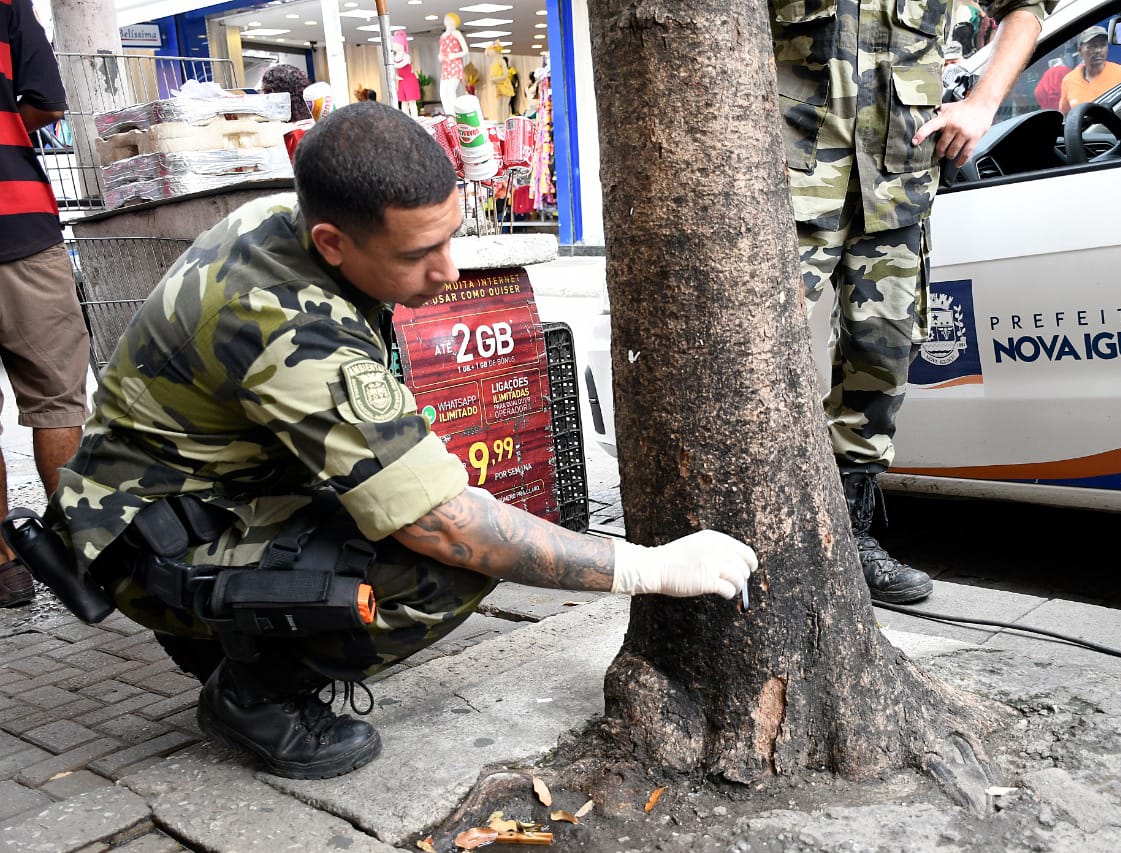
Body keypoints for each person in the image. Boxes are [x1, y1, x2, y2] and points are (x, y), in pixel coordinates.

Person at [47, 102, 756, 781]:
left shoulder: (284, 223)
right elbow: (445, 526)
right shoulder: (288, 322)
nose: (448, 270)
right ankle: (250, 696)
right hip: (147, 543)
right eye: (420, 251)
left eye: (451, 235)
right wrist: (650, 569)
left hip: (187, 500)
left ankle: (227, 634)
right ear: (333, 241)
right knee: (447, 567)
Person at [771, 0, 1043, 603]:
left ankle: (849, 543)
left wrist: (982, 105)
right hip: (790, 178)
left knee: (881, 359)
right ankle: (750, 535)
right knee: (754, 355)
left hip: (898, 180)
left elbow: (1028, 8)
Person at [0, 0, 90, 607]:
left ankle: (5, 566)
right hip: (20, 227)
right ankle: (82, 554)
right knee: (58, 398)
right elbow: (47, 101)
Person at [1058, 26, 1121, 114]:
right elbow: (1066, 115)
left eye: (1103, 45)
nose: (1098, 50)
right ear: (1080, 51)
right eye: (1092, 46)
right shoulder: (1069, 81)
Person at [437, 12, 469, 115]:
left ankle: (454, 113)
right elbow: (441, 51)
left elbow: (465, 50)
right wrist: (440, 56)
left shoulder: (456, 33)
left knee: (451, 90)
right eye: (447, 20)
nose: (449, 22)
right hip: (445, 66)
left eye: (451, 21)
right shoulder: (443, 36)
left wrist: (454, 55)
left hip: (454, 64)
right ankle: (448, 113)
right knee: (443, 91)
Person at [390, 31, 421, 117]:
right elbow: (395, 69)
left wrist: (392, 65)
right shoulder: (394, 57)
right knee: (403, 101)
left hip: (410, 80)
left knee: (411, 101)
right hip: (402, 81)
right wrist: (396, 76)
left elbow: (401, 65)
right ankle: (406, 117)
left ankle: (415, 118)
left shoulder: (406, 56)